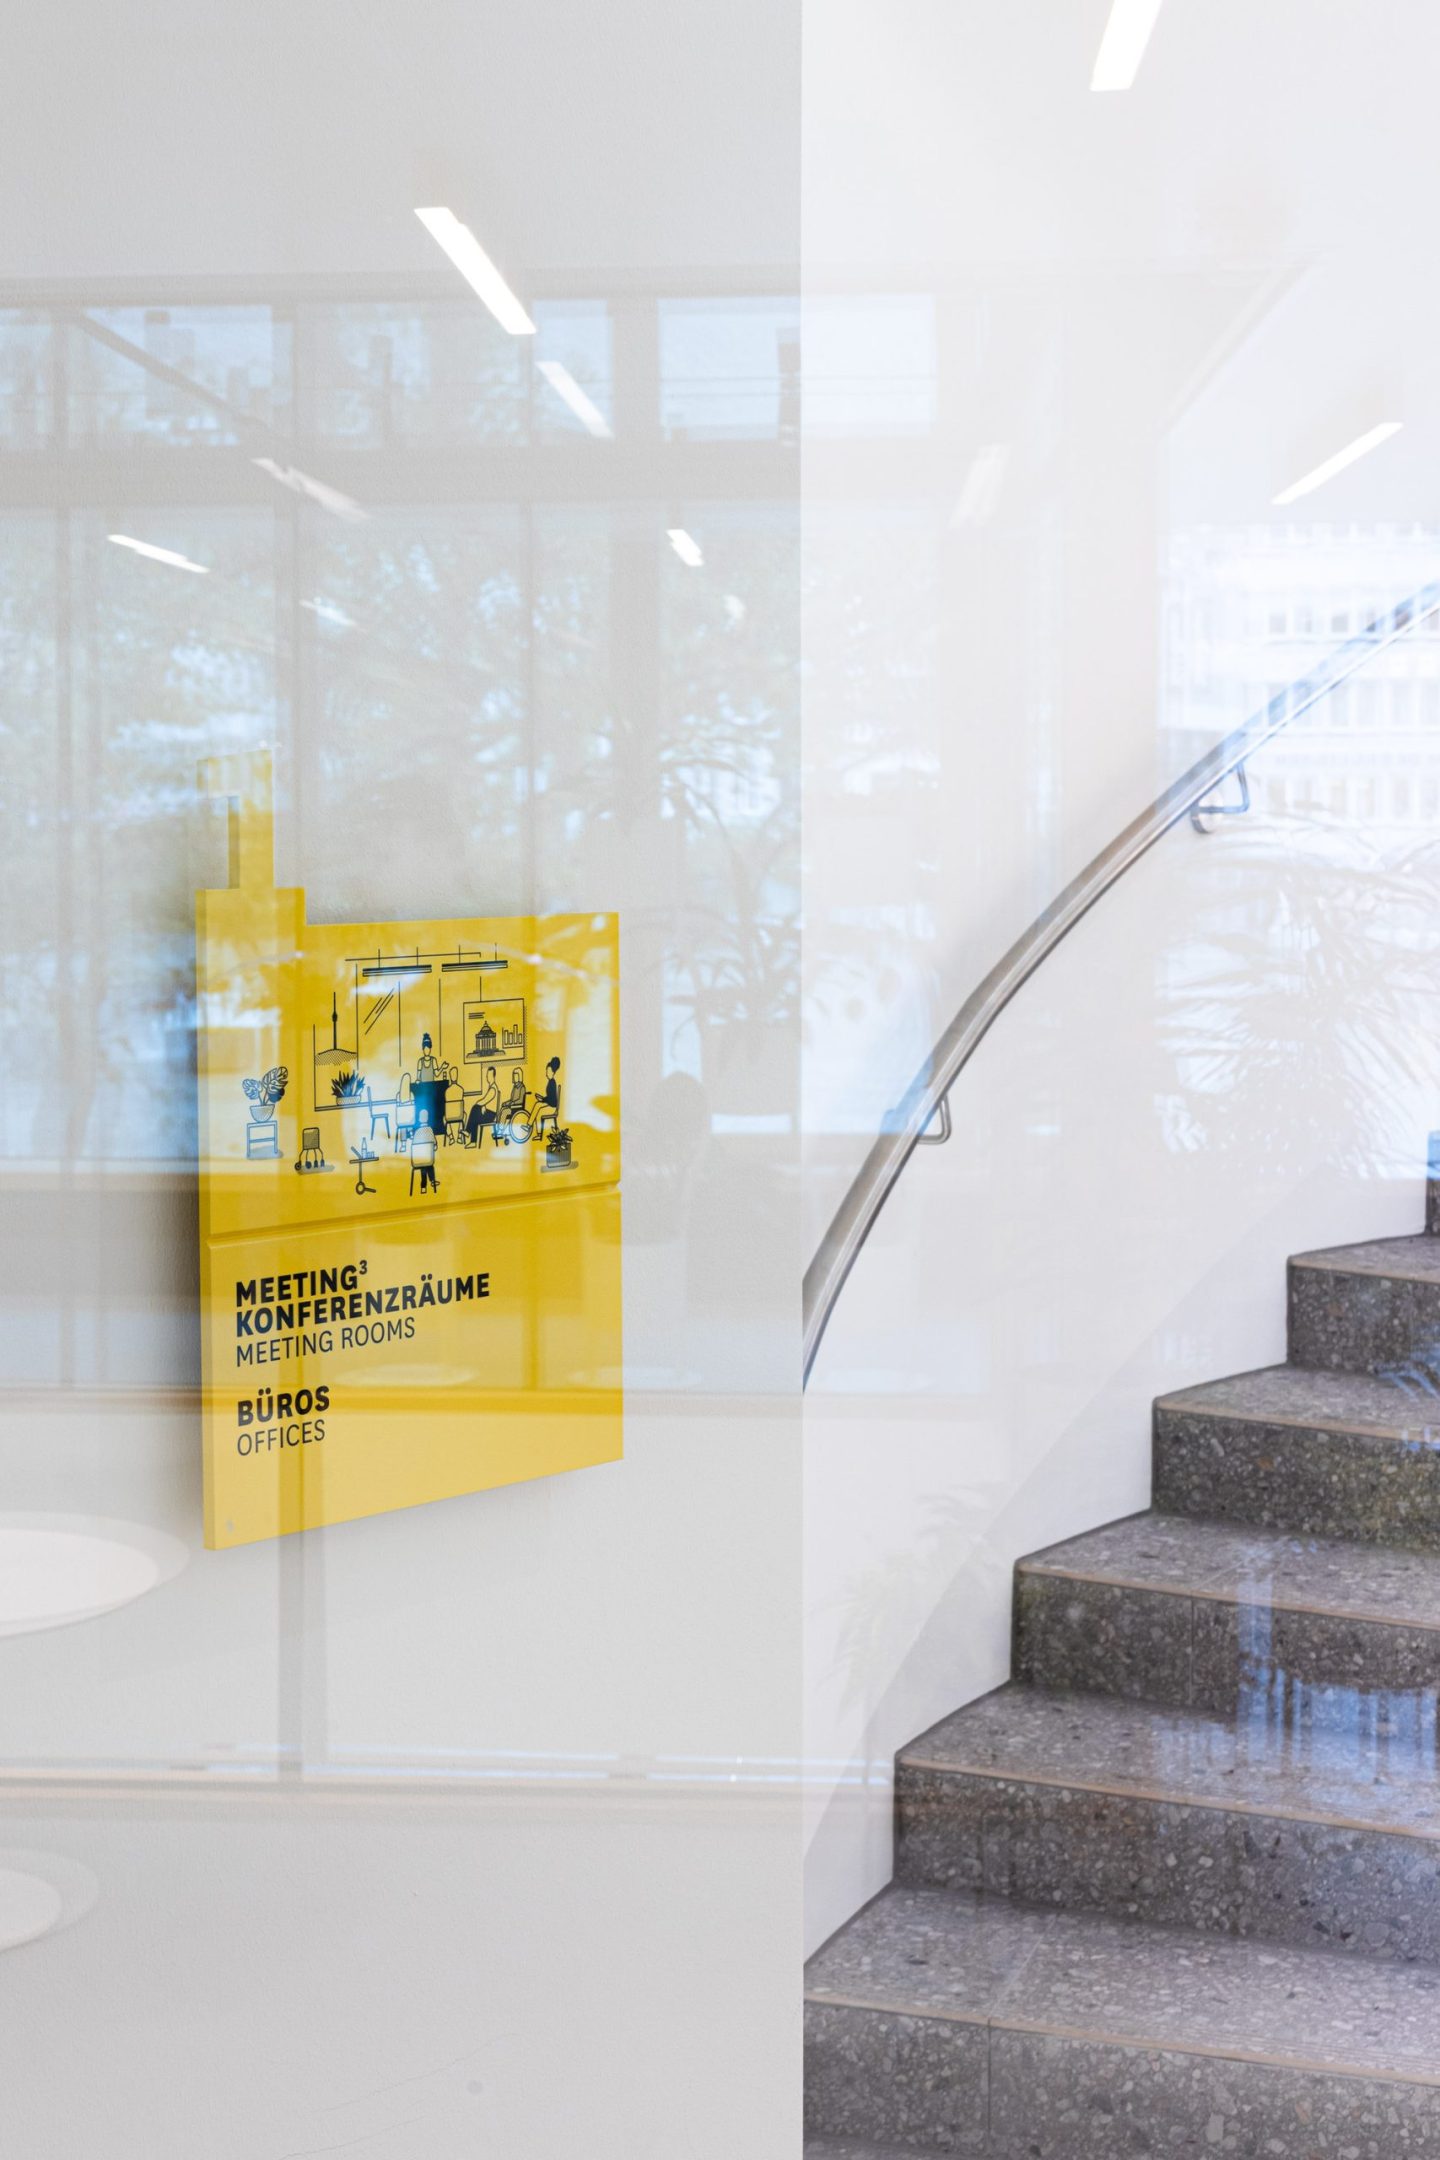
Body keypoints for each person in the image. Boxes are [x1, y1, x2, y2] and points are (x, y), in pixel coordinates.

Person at [465, 1066, 500, 1146]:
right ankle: (472, 1140)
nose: (487, 1077)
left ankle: (468, 1133)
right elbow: (487, 1101)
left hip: (492, 1115)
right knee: (476, 1113)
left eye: (489, 1075)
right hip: (489, 1112)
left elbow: (485, 1100)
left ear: (493, 1076)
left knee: (475, 1109)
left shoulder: (493, 1089)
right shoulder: (491, 1087)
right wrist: (483, 1106)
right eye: (487, 1075)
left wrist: (478, 1103)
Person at [410, 1117, 438, 1194]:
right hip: (427, 1159)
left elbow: (414, 1147)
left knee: (423, 1163)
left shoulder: (417, 1132)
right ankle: (432, 1180)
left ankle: (423, 1186)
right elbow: (435, 1145)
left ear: (419, 1120)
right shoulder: (430, 1130)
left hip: (418, 1160)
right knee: (428, 1163)